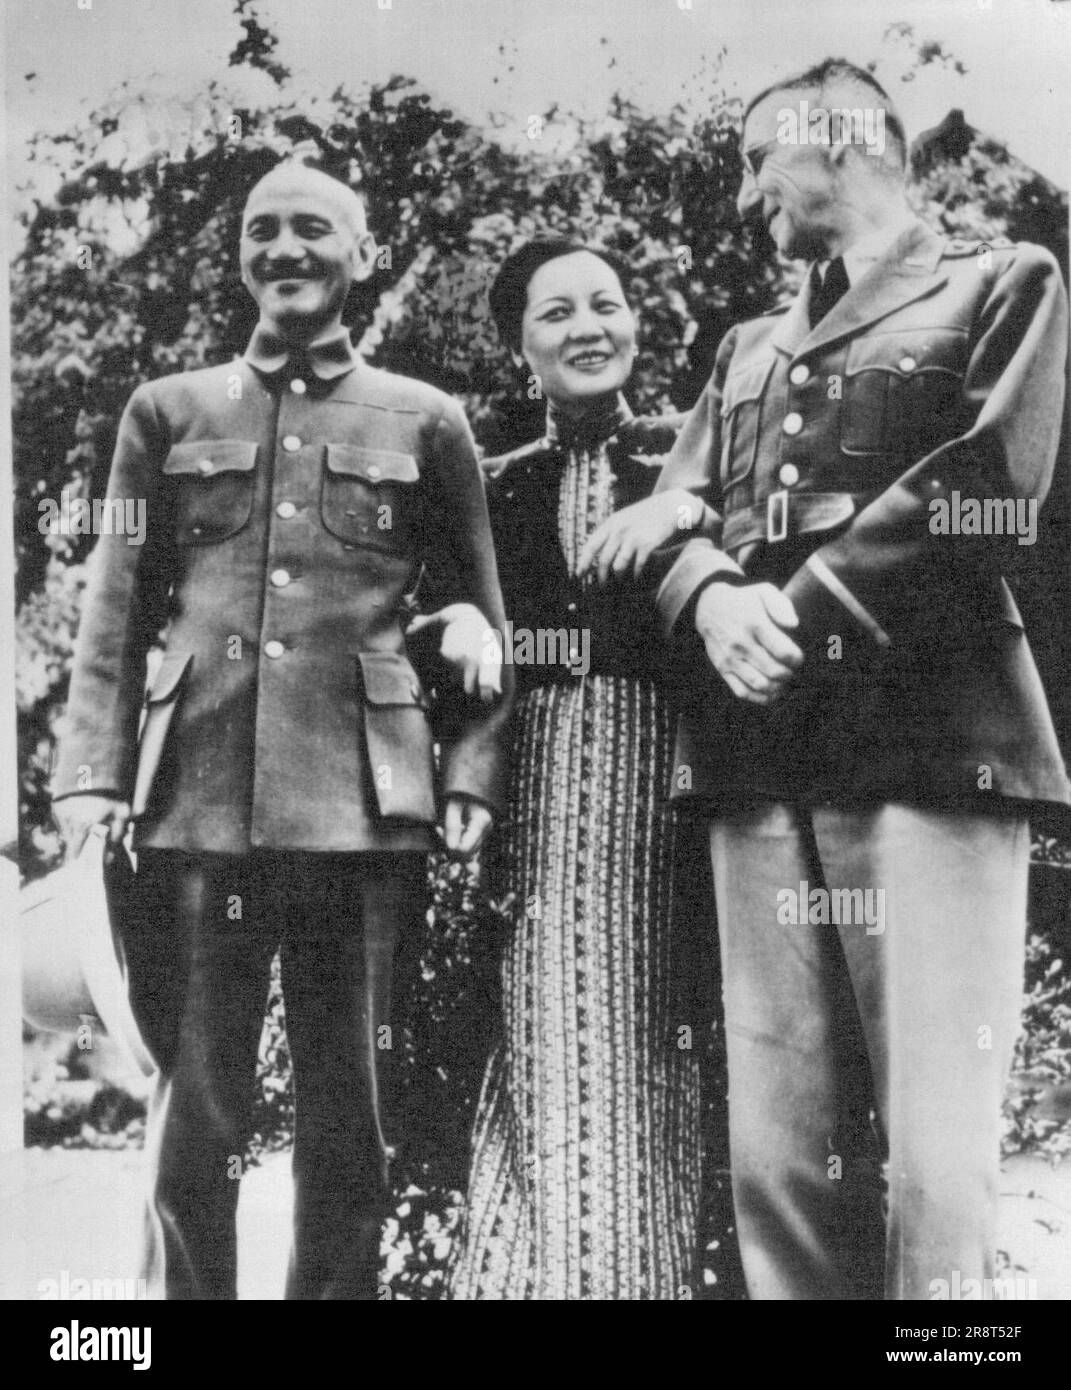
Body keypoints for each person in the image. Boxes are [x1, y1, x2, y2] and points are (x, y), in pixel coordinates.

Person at [587, 59, 1070, 1300]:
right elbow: (663, 519)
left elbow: (989, 484)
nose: (747, 193)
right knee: (779, 1153)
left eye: (759, 160)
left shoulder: (1001, 279)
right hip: (758, 764)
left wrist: (787, 606)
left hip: (928, 750)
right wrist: (709, 590)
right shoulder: (746, 347)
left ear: (842, 141)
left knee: (932, 1150)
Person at [50, 159, 512, 1300]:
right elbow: (117, 599)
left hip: (364, 808)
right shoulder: (166, 410)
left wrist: (471, 771)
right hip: (196, 797)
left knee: (346, 1106)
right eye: (263, 231)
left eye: (314, 230)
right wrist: (93, 776)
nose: (286, 251)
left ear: (365, 254)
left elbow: (482, 620)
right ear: (240, 255)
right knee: (196, 1103)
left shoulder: (427, 420)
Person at [437, 237, 713, 1300]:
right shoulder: (492, 481)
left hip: (673, 793)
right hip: (538, 793)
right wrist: (451, 621)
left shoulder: (689, 455)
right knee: (544, 1049)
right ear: (521, 347)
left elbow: (759, 538)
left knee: (659, 1058)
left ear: (638, 322)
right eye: (556, 314)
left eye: (606, 302)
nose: (586, 327)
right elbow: (423, 611)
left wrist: (684, 509)